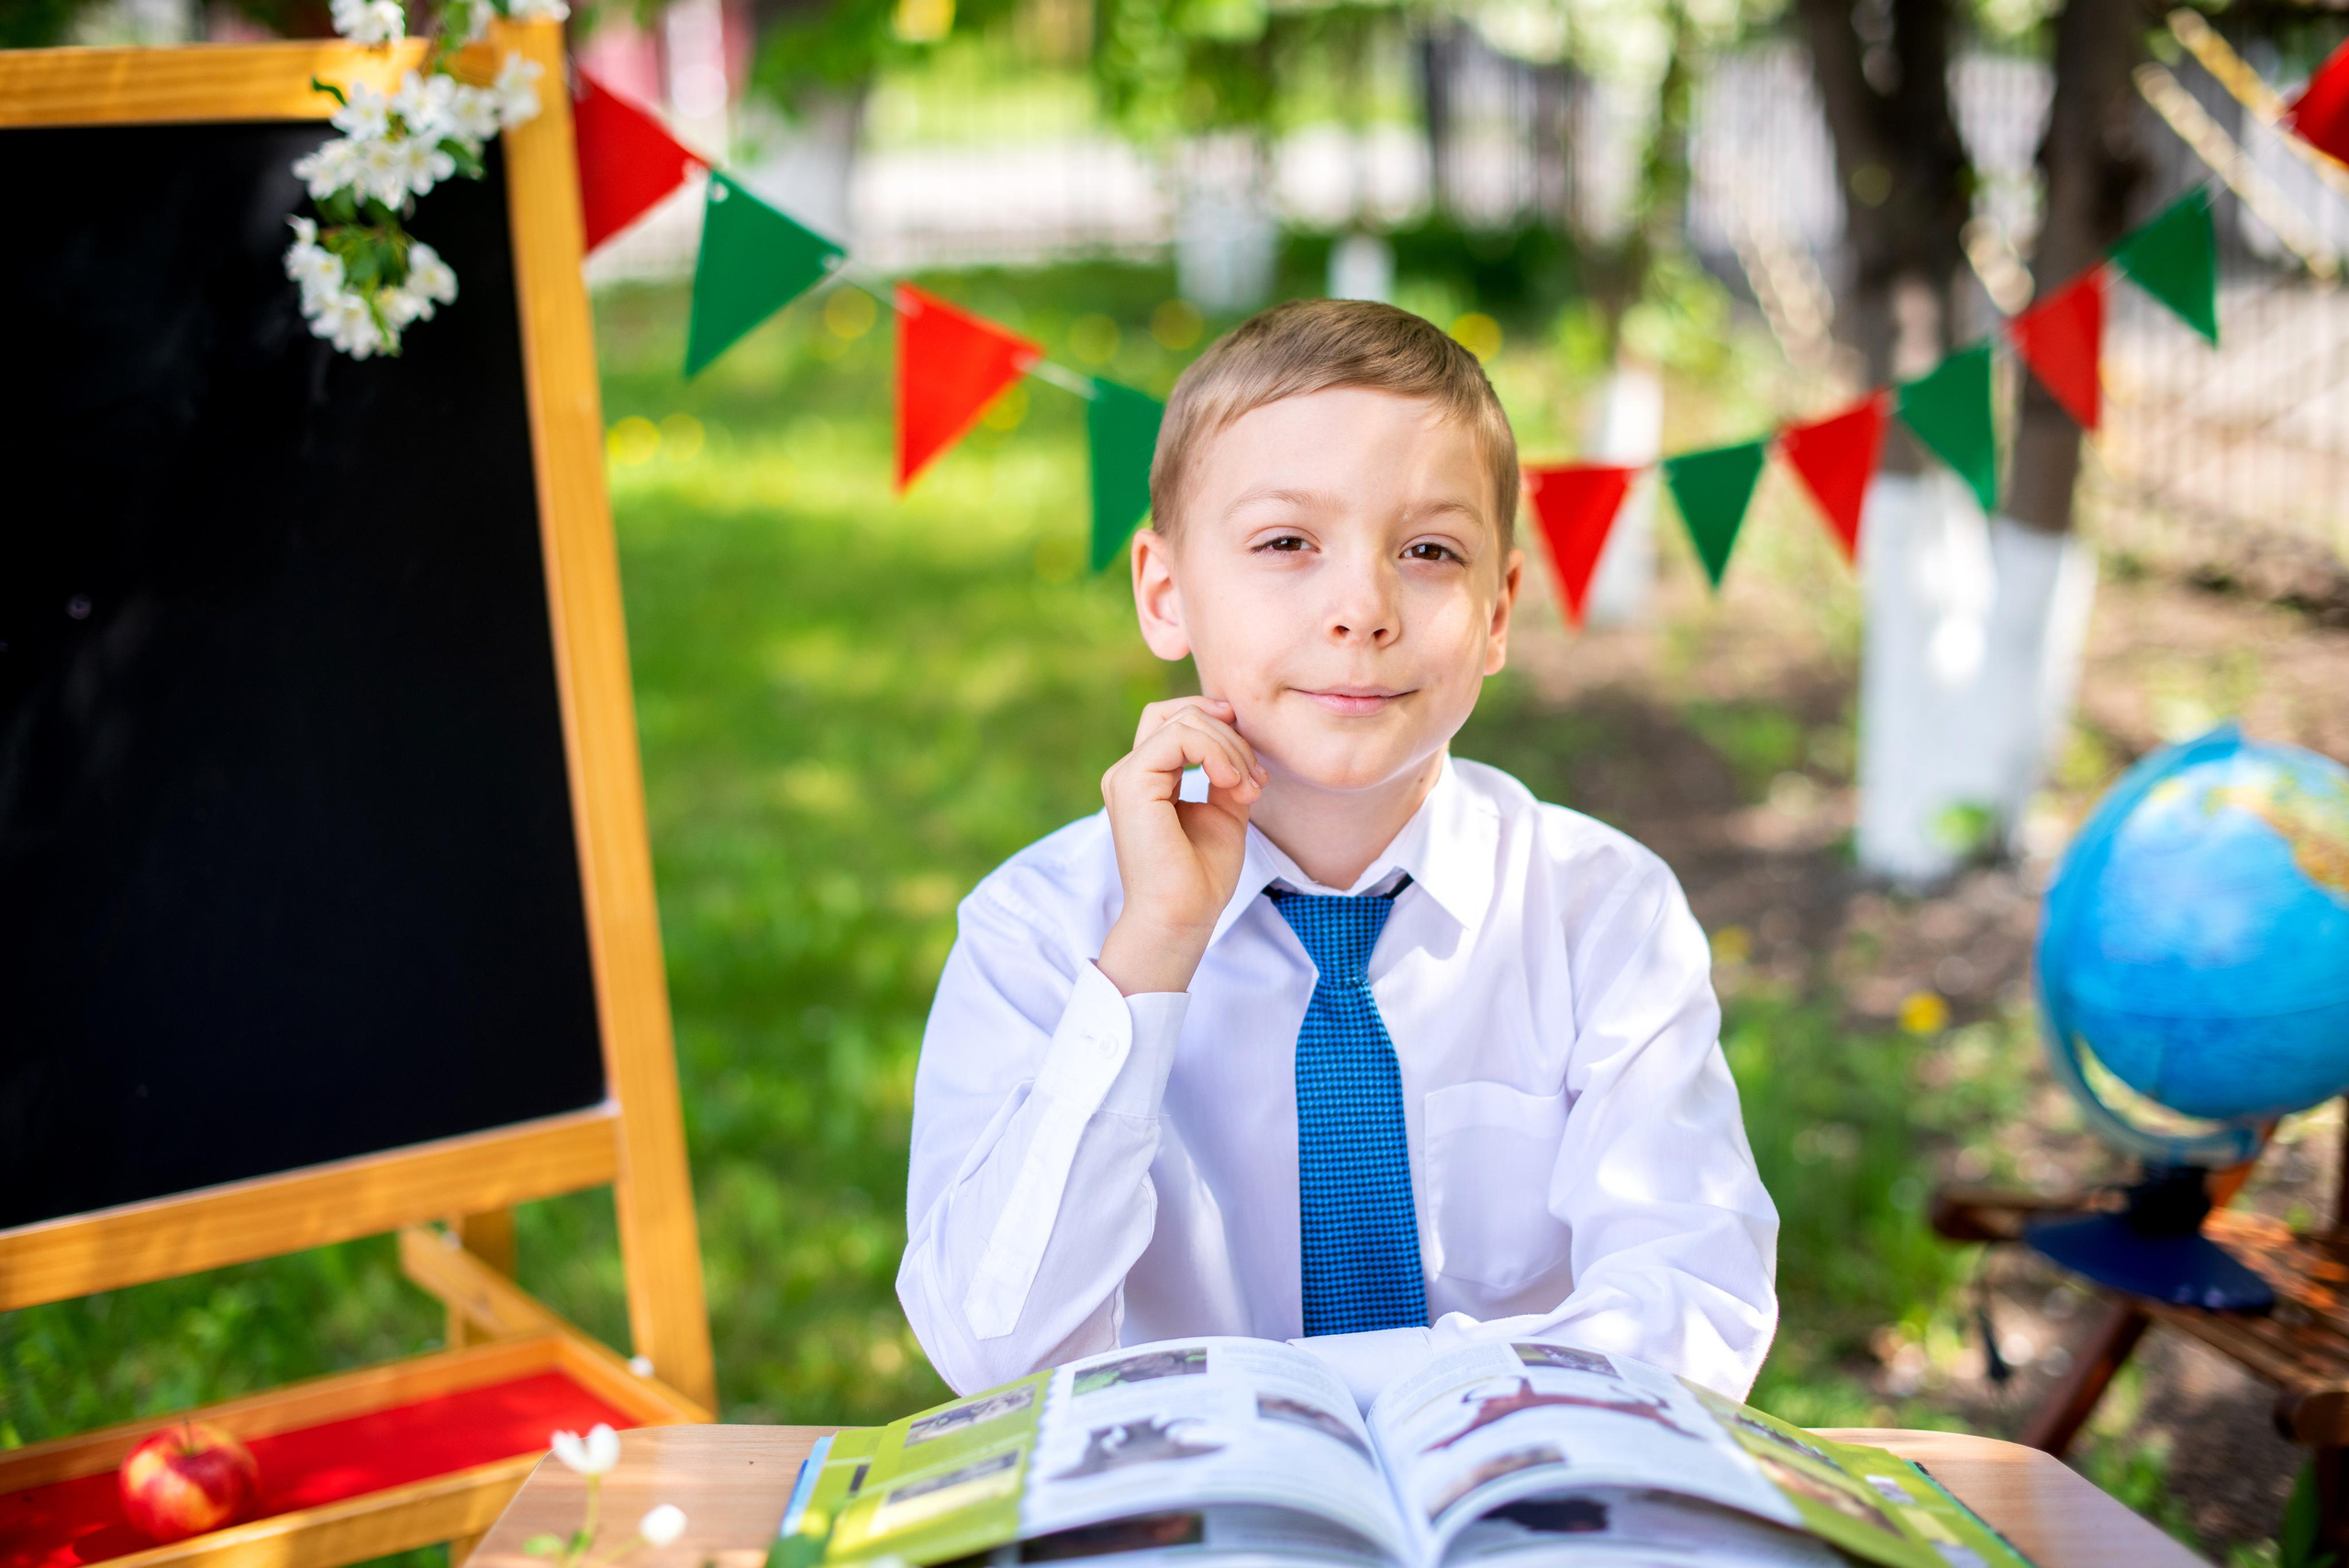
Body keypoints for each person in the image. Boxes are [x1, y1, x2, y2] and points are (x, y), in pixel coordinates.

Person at [896, 298, 1777, 1410]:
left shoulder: (1599, 911)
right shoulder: (1039, 925)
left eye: (1428, 551)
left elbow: (1694, 1299)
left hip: (1518, 1483)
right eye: (1286, 543)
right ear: (1164, 593)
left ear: (1498, 612)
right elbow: (990, 1348)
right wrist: (1151, 949)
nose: (1362, 608)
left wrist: (1376, 1393)